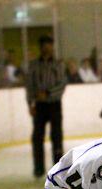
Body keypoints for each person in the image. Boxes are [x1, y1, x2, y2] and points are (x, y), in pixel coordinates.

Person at [26, 35, 66, 178]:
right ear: (40, 47)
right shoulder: (33, 65)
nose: (46, 47)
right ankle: (38, 168)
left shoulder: (58, 64)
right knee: (37, 137)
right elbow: (29, 86)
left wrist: (48, 93)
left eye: (48, 44)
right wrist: (30, 103)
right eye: (43, 44)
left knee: (56, 136)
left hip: (54, 105)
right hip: (39, 106)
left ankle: (58, 168)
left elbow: (62, 84)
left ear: (52, 46)